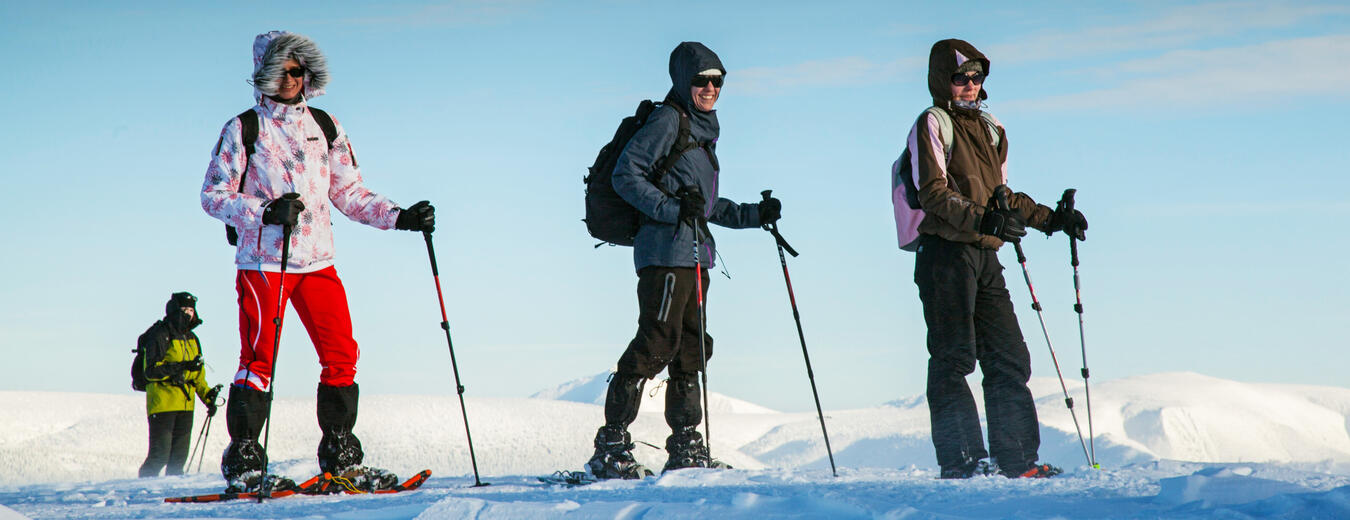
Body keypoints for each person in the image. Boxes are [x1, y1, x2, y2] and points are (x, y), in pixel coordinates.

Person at [200, 31, 436, 493]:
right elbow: (213, 195)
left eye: (298, 69)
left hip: (318, 262)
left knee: (341, 354)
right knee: (258, 359)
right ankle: (246, 462)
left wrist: (399, 217)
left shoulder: (324, 125)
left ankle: (342, 455)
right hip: (264, 264)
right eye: (282, 70)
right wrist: (264, 211)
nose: (292, 78)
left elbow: (348, 191)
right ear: (264, 73)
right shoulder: (243, 128)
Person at [586, 41, 783, 479]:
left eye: (717, 80)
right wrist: (673, 209)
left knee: (692, 348)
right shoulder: (668, 119)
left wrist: (755, 215)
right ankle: (611, 446)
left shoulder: (702, 130)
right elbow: (626, 176)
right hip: (664, 254)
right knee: (657, 341)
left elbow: (705, 205)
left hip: (696, 256)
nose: (710, 87)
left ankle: (686, 447)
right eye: (701, 80)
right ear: (683, 81)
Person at [905, 38, 1087, 479]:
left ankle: (1017, 461)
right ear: (941, 80)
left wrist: (1052, 220)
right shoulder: (932, 123)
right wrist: (984, 221)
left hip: (984, 256)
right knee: (953, 358)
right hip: (945, 253)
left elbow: (1003, 198)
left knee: (1008, 357)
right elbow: (933, 193)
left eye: (976, 77)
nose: (969, 85)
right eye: (960, 77)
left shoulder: (991, 129)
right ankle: (963, 463)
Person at [138, 292, 222, 478]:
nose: (188, 313)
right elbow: (151, 371)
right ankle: (141, 489)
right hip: (163, 404)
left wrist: (208, 397)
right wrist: (182, 367)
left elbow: (198, 375)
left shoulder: (192, 338)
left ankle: (171, 492)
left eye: (191, 309)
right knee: (159, 456)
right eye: (184, 309)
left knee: (178, 459)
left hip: (185, 405)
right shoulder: (160, 334)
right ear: (174, 309)